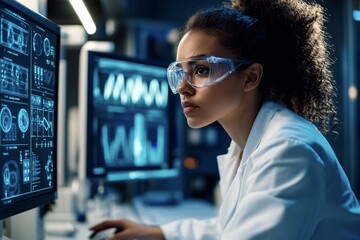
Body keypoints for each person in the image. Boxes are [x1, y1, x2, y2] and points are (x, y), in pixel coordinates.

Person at [89, 0, 360, 239]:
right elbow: (231, 228)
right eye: (179, 72)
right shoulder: (247, 143)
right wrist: (158, 233)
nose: (183, 87)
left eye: (201, 69)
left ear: (250, 77)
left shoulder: (290, 149)